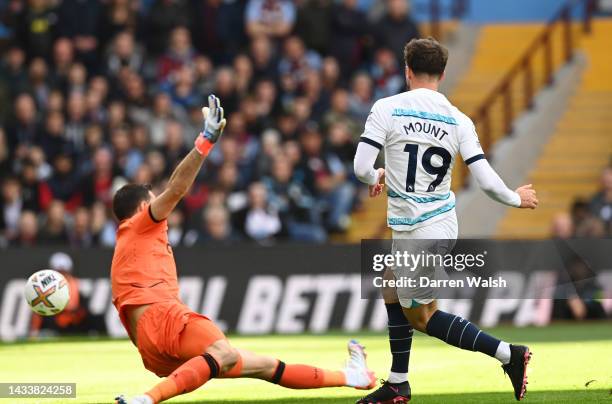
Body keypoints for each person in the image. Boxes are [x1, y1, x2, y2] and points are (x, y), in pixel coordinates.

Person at [112, 95, 375, 404]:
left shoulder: (127, 244)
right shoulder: (140, 224)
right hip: (163, 318)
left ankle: (351, 376)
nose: (161, 205)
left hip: (151, 344)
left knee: (265, 366)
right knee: (222, 352)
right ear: (144, 206)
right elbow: (177, 188)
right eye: (153, 198)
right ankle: (145, 400)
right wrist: (205, 141)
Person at [353, 38, 539, 403]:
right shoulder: (458, 119)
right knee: (391, 285)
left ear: (407, 70)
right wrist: (517, 198)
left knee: (422, 318)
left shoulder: (386, 108)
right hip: (437, 223)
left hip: (418, 229)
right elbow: (484, 179)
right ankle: (397, 383)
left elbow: (361, 167)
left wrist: (376, 177)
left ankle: (508, 354)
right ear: (442, 73)